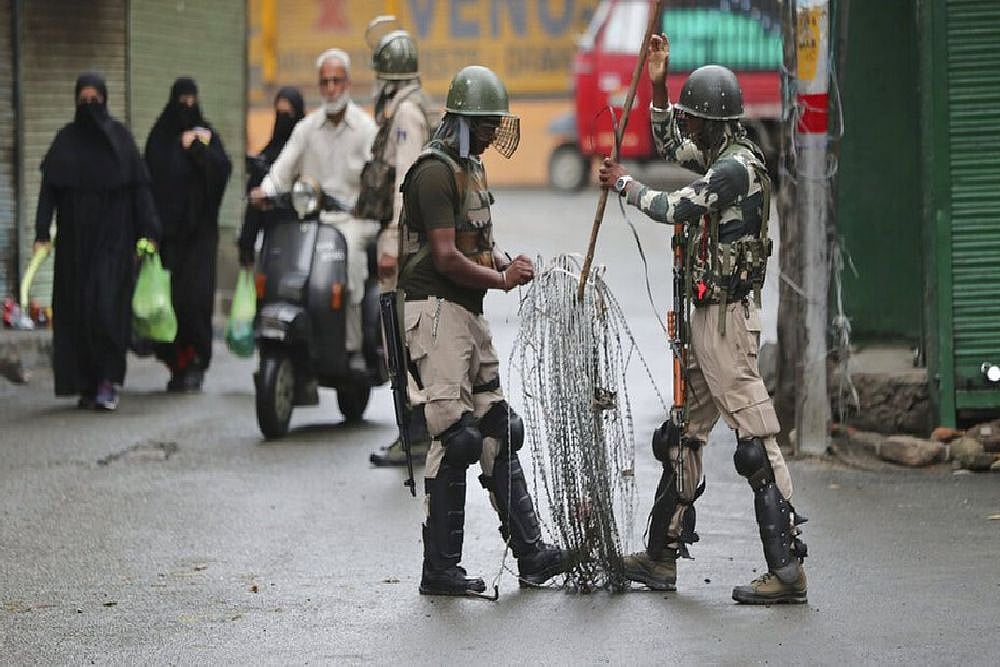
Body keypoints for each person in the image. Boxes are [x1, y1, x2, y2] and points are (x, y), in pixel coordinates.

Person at [598, 35, 808, 605]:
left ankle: (787, 568)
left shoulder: (734, 169)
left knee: (754, 443)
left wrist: (625, 184)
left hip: (727, 325)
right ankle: (660, 557)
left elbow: (675, 206)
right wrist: (657, 82)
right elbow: (669, 140)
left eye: (694, 118)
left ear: (714, 123)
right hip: (706, 317)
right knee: (682, 437)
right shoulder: (721, 152)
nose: (687, 126)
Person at [398, 65, 571, 596]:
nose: (497, 133)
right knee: (457, 437)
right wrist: (501, 279)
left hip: (466, 313)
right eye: (489, 124)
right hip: (435, 312)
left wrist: (504, 261)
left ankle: (531, 555)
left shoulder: (470, 168)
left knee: (499, 427)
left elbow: (475, 246)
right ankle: (440, 570)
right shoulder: (433, 173)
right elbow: (446, 257)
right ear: (465, 121)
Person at [34, 72, 161, 411]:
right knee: (77, 313)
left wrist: (149, 231)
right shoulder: (65, 141)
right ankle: (86, 383)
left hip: (114, 242)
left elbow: (140, 189)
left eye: (95, 99)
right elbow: (49, 191)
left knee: (106, 308)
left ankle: (107, 380)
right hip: (74, 246)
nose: (89, 106)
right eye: (83, 100)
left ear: (105, 100)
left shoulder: (120, 140)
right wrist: (41, 233)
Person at [250, 48, 378, 375]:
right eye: (325, 82)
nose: (331, 88)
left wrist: (368, 202)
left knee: (349, 263)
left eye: (337, 81)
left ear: (348, 84)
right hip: (311, 218)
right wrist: (264, 191)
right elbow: (282, 169)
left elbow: (379, 175)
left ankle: (352, 347)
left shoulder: (365, 129)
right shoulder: (306, 128)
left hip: (352, 220)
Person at [360, 22, 434, 468]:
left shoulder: (405, 113)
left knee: (400, 338)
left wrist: (391, 242)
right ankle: (413, 431)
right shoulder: (413, 104)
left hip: (403, 245)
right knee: (403, 336)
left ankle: (414, 434)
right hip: (410, 243)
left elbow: (404, 184)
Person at [145, 77, 232, 392]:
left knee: (195, 302)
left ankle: (195, 362)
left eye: (192, 101)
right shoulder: (160, 138)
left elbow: (221, 172)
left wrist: (197, 149)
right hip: (168, 238)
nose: (187, 107)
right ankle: (175, 363)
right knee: (169, 303)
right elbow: (149, 182)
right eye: (182, 102)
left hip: (200, 238)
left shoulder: (205, 135)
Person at [238, 87, 306, 268]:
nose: (283, 120)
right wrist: (247, 243)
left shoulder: (307, 152)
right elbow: (254, 203)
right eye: (279, 114)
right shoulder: (268, 153)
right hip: (273, 239)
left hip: (303, 235)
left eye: (288, 114)